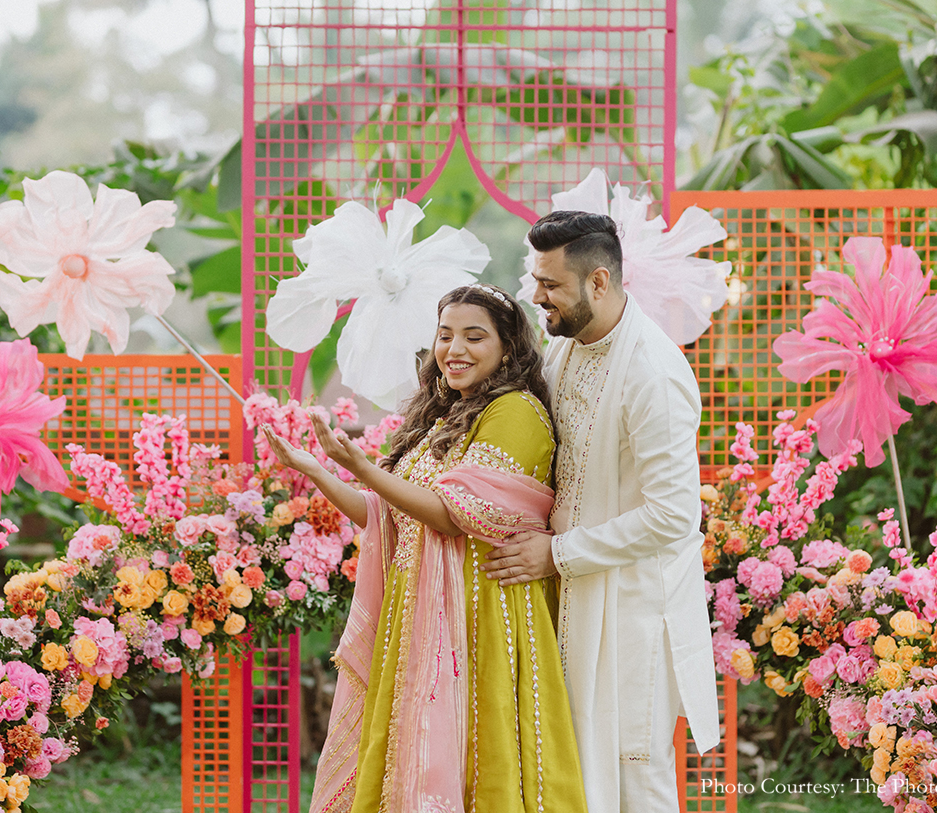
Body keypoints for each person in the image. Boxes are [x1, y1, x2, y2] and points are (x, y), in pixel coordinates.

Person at [263, 283, 588, 813]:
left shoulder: (516, 412)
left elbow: (455, 517)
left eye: (473, 336)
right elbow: (387, 516)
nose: (454, 350)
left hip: (484, 611)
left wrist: (364, 467)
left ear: (508, 346)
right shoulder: (444, 416)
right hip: (420, 616)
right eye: (445, 335)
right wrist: (316, 470)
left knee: (481, 756)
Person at [481, 210, 721, 813]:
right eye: (535, 279)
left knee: (633, 781)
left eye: (550, 284)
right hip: (575, 599)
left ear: (599, 283)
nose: (536, 296)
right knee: (576, 774)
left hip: (633, 610)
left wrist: (558, 555)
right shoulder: (567, 351)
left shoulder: (653, 373)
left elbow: (673, 515)